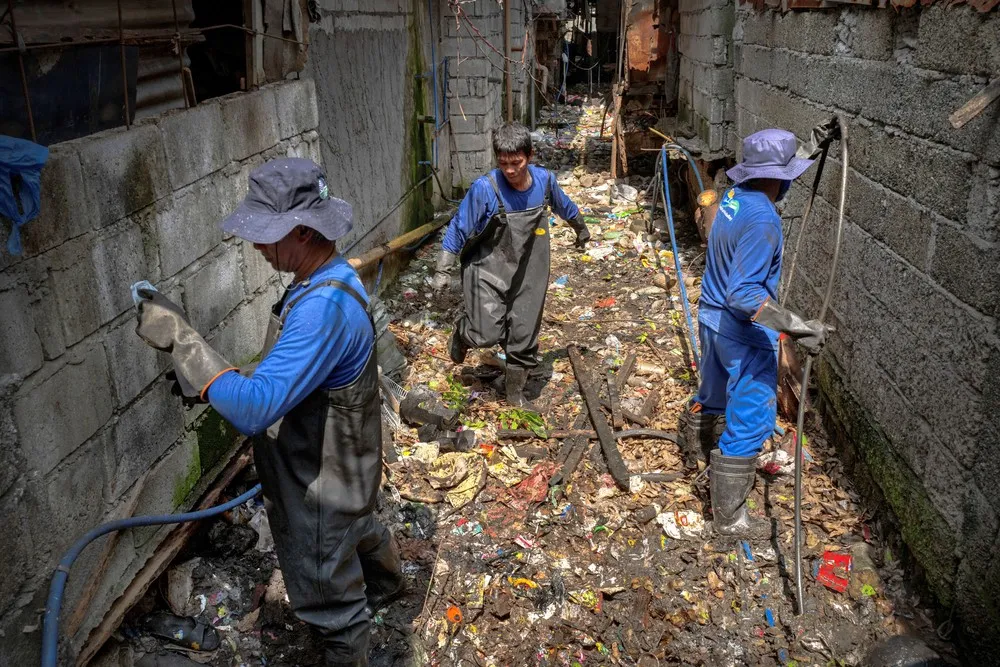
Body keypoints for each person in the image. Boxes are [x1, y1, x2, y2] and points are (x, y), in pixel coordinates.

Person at [134, 158, 403, 667]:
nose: (255, 246)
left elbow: (255, 410)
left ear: (302, 231)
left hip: (320, 485)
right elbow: (290, 372)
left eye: (265, 234)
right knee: (361, 530)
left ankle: (352, 647)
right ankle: (389, 588)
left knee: (330, 599)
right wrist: (217, 383)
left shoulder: (321, 310)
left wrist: (187, 344)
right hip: (351, 467)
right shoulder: (330, 277)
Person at [676, 128, 834, 539]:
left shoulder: (731, 196)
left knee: (711, 394)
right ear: (779, 178)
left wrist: (812, 144)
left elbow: (773, 166)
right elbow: (745, 295)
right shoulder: (764, 219)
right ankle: (729, 519)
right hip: (740, 332)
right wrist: (799, 328)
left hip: (710, 319)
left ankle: (694, 454)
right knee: (750, 420)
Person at [431, 122, 588, 407]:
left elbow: (564, 205)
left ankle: (514, 392)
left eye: (516, 163)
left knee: (524, 332)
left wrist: (580, 227)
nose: (510, 170)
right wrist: (442, 269)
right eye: (503, 164)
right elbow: (458, 227)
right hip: (487, 268)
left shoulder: (545, 181)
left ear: (529, 155)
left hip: (529, 269)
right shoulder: (485, 188)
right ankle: (464, 333)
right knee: (486, 333)